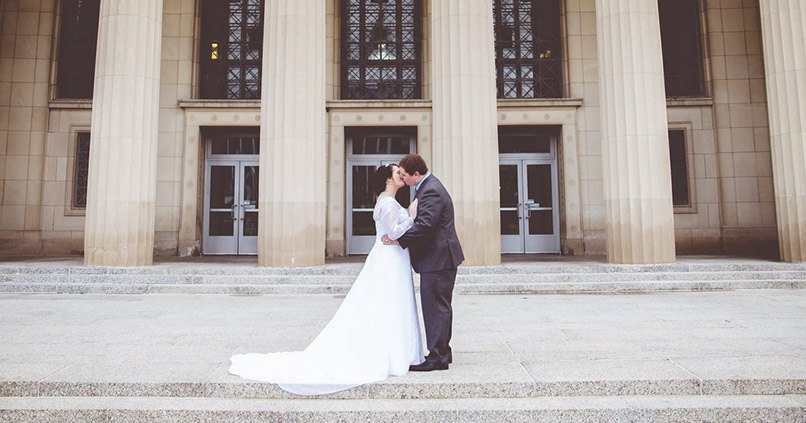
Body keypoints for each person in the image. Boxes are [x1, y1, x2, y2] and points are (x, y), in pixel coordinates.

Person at [229, 164, 424, 395]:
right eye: (396, 172)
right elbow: (393, 233)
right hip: (390, 260)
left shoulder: (386, 200)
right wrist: (411, 217)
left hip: (392, 258)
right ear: (388, 179)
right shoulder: (389, 203)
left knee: (390, 303)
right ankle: (392, 353)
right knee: (389, 302)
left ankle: (398, 350)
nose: (401, 174)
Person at [382, 154, 464, 372]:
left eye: (404, 175)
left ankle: (437, 358)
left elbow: (426, 225)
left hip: (438, 259)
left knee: (435, 307)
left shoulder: (431, 190)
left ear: (415, 175)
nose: (402, 178)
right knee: (440, 306)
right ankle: (442, 352)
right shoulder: (427, 187)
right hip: (438, 258)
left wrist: (399, 239)